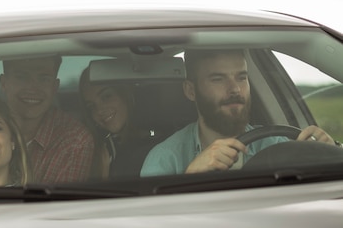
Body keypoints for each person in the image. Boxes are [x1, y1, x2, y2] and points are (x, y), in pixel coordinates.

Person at [140, 49, 337, 176]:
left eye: (241, 77)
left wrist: (329, 156)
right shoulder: (165, 159)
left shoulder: (279, 144)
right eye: (218, 79)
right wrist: (190, 176)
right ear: (190, 91)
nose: (235, 89)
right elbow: (150, 225)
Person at [0, 55, 94, 184]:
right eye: (21, 77)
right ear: (4, 83)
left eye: (43, 79)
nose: (32, 88)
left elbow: (61, 203)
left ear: (55, 87)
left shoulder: (74, 141)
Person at [79, 66, 156, 180]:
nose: (99, 111)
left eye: (106, 97)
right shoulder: (94, 152)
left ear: (126, 94)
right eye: (91, 106)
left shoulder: (157, 147)